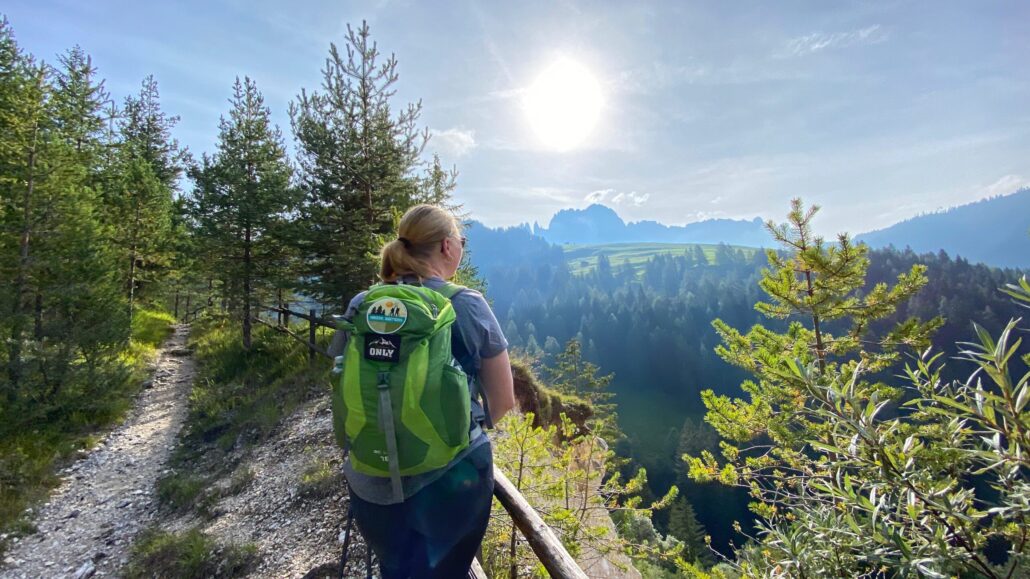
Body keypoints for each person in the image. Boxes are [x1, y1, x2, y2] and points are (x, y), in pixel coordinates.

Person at [337, 204, 515, 578]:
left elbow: (339, 379)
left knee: (396, 570)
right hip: (449, 483)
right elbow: (502, 401)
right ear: (448, 247)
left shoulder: (363, 305)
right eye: (461, 240)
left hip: (371, 480)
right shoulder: (466, 304)